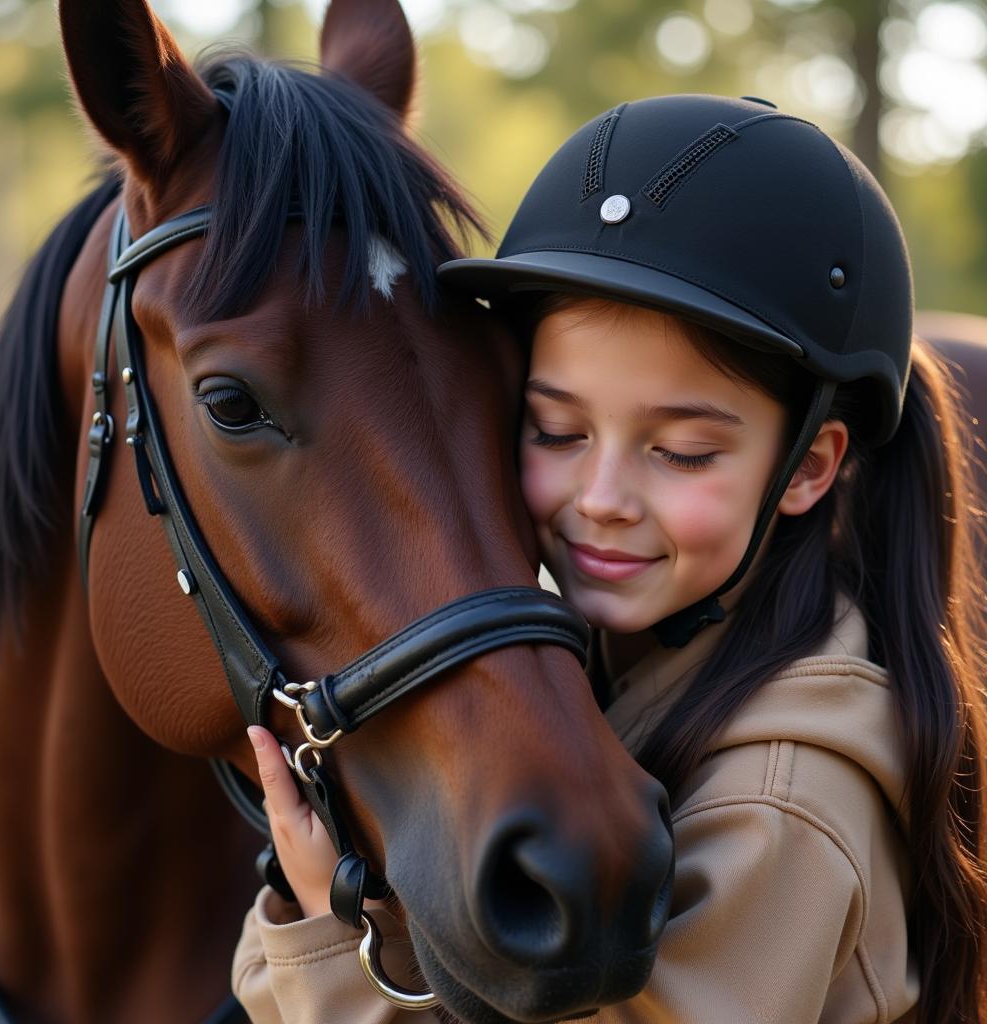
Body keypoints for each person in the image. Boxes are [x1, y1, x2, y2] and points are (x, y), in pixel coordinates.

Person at [232, 95, 987, 1023]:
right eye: (556, 430)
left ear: (809, 468)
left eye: (682, 452)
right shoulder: (610, 673)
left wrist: (333, 943)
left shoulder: (787, 797)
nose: (600, 498)